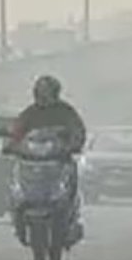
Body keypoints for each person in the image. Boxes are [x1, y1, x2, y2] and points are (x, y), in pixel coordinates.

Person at [10, 75, 88, 235]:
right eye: (40, 92)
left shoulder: (65, 111)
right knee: (16, 176)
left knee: (71, 175)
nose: (43, 96)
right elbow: (17, 130)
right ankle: (19, 213)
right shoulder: (30, 113)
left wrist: (74, 143)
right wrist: (12, 143)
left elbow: (77, 129)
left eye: (46, 92)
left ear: (55, 93)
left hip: (59, 159)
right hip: (32, 161)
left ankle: (71, 214)